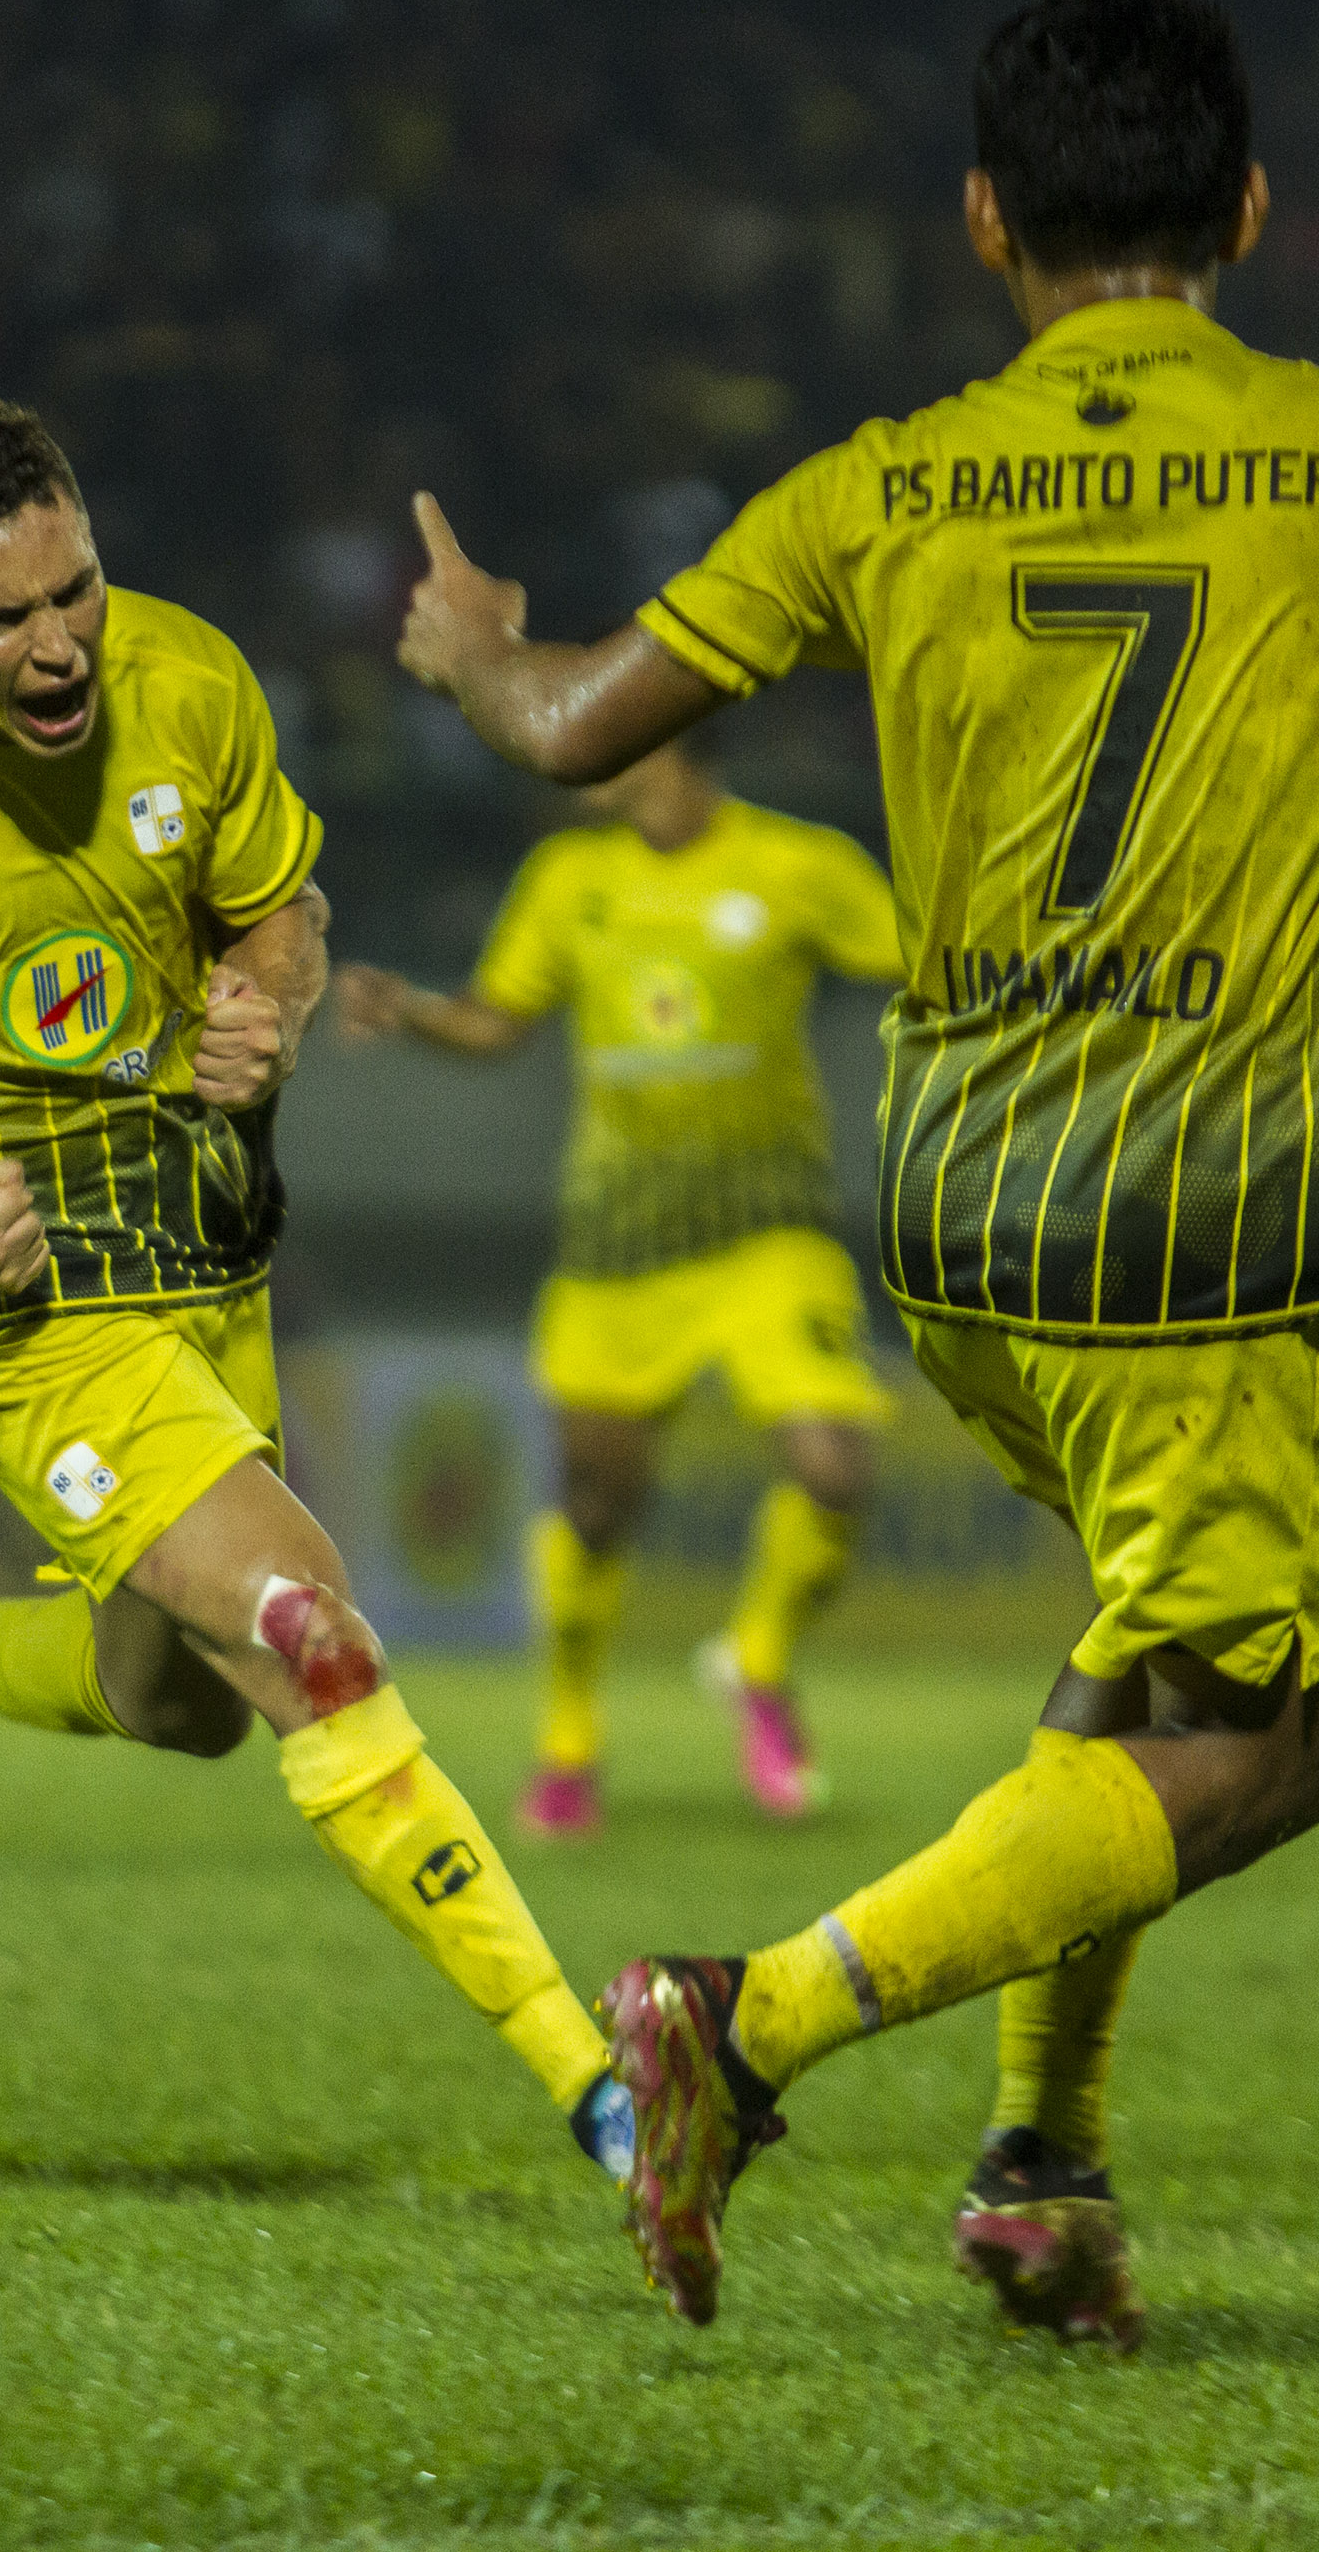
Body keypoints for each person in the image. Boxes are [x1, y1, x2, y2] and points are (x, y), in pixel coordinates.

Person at [397, 0, 1319, 2333]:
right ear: (1250, 208)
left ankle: (1040, 2164)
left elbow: (567, 726)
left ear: (986, 219)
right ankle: (741, 2024)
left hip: (959, 1223)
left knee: (1146, 1660)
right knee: (1281, 1737)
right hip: (1203, 1226)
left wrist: (471, 644)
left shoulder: (874, 487)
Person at [0, 397, 648, 2211]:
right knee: (305, 1634)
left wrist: (264, 1003)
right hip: (12, 1297)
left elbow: (286, 908)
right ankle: (601, 2093)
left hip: (201, 1243)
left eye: (77, 593)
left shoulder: (187, 683)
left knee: (180, 1700)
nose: (56, 649)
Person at [333, 734, 903, 1831]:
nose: (573, 739)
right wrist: (411, 1009)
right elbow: (499, 1019)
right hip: (617, 1253)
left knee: (833, 1466)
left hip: (765, 1237)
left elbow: (920, 969)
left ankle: (758, 1659)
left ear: (675, 728)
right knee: (598, 1507)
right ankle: (568, 1739)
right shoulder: (571, 880)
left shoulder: (800, 864)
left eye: (605, 711)